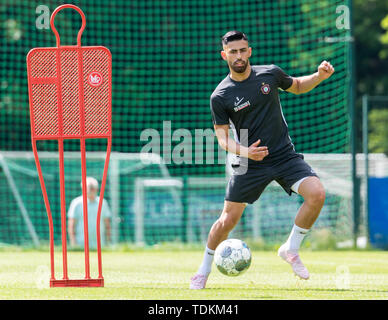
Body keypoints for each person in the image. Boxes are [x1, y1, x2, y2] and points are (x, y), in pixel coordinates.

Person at [190, 30, 334, 289]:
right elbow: (222, 139)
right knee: (227, 221)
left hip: (283, 155)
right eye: (233, 52)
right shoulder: (220, 96)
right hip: (249, 162)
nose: (239, 56)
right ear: (224, 56)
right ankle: (203, 269)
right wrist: (246, 152)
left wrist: (319, 77)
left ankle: (291, 248)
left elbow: (298, 86)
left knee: (317, 193)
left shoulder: (270, 74)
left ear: (250, 51)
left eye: (242, 50)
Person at [68, 176, 112, 250]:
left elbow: (107, 223)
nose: (91, 190)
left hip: (100, 243)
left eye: (93, 187)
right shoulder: (76, 203)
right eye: (89, 187)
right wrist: (73, 242)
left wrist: (108, 241)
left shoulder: (103, 203)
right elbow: (71, 224)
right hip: (81, 243)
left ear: (97, 188)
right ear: (83, 188)